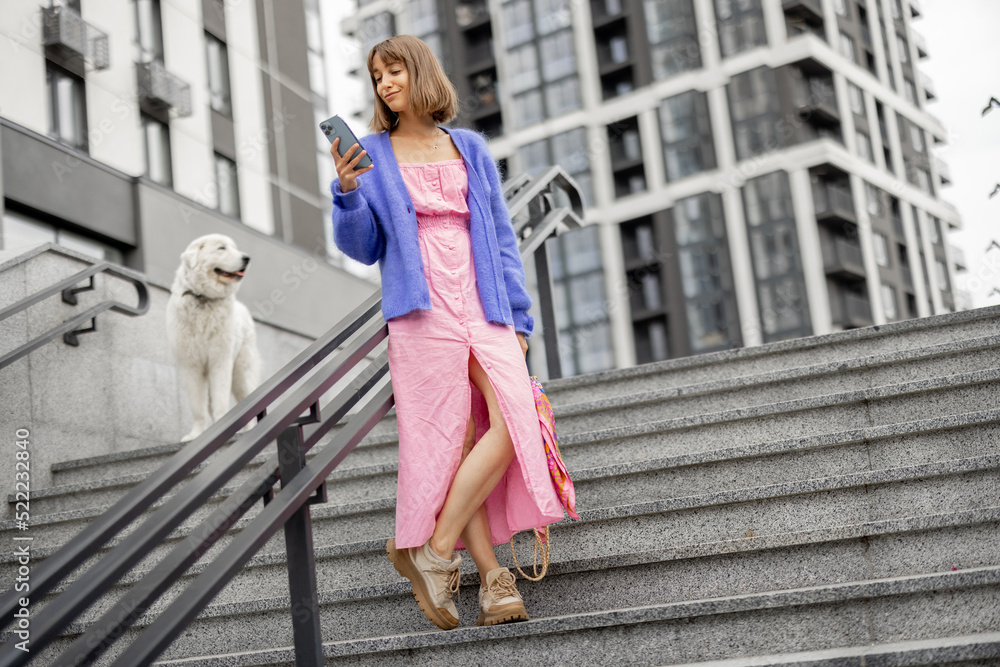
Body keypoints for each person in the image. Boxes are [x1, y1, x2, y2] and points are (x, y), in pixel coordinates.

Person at [329, 34, 564, 630]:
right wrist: (348, 192)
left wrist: (520, 316)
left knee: (515, 419)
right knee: (451, 437)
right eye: (376, 75)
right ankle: (491, 578)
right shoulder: (373, 154)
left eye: (394, 71)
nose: (384, 83)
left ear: (420, 73)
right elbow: (364, 248)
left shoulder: (471, 148)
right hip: (421, 309)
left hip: (483, 303)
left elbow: (504, 241)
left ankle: (433, 551)